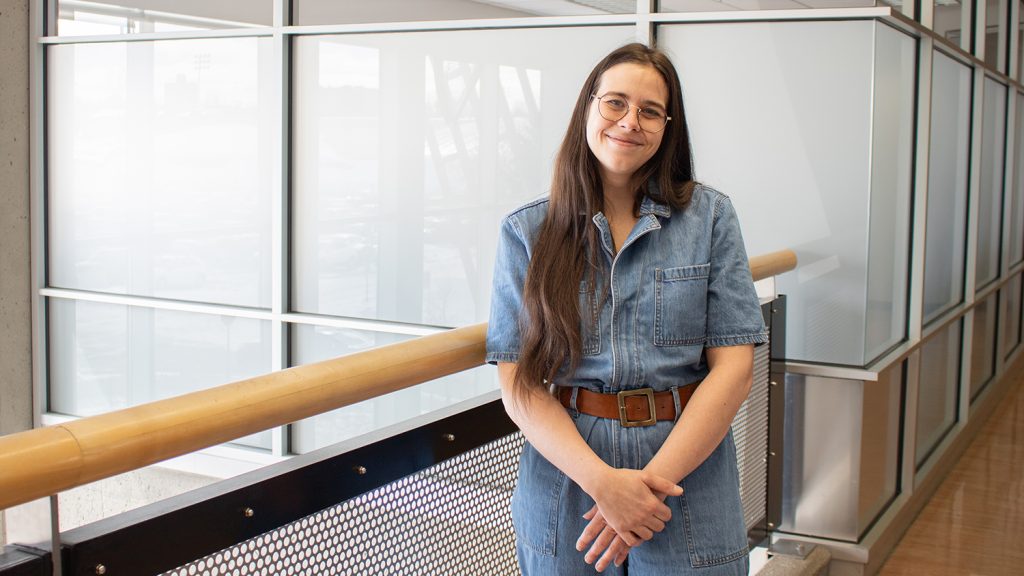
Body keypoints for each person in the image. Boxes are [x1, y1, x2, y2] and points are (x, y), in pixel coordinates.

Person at [485, 43, 767, 575]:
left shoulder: (710, 218)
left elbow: (734, 369)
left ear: (668, 127)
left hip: (687, 468)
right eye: (615, 102)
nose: (629, 121)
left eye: (650, 110)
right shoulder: (527, 232)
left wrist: (643, 493)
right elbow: (518, 382)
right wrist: (605, 486)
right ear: (587, 109)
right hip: (569, 474)